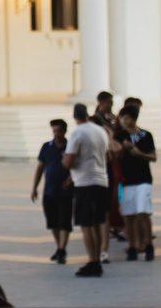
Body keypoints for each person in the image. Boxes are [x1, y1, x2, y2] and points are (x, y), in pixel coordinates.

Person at [64, 98, 114, 277]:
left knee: (86, 224)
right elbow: (108, 157)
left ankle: (92, 261)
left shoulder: (77, 133)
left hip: (85, 183)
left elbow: (68, 161)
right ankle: (98, 256)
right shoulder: (100, 131)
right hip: (102, 181)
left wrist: (67, 162)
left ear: (74, 116)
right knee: (98, 222)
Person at [114, 100, 156, 261]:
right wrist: (123, 149)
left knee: (142, 211)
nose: (124, 122)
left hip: (143, 179)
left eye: (127, 118)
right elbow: (115, 157)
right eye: (122, 118)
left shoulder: (145, 135)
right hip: (126, 180)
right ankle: (132, 245)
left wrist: (139, 153)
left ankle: (148, 244)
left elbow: (153, 156)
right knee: (129, 215)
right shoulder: (119, 137)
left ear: (134, 119)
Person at [30, 118, 73, 263]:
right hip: (50, 190)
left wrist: (71, 178)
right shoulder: (46, 147)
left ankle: (62, 249)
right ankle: (59, 248)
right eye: (55, 131)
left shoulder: (70, 147)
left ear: (65, 131)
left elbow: (77, 165)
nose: (57, 134)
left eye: (59, 131)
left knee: (64, 221)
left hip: (66, 191)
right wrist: (34, 187)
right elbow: (40, 167)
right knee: (53, 221)